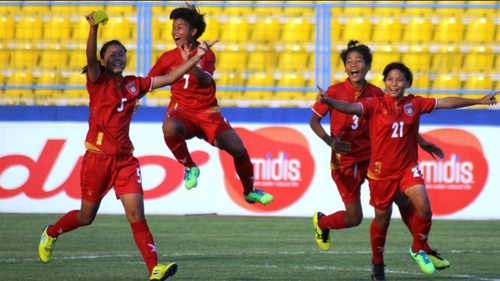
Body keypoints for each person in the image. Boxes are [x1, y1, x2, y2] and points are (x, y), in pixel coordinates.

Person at [38, 11, 217, 281]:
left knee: (136, 214)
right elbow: (89, 58)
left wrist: (196, 58)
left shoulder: (134, 84)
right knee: (86, 217)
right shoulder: (97, 82)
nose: (118, 58)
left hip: (125, 161)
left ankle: (154, 269)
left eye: (121, 54)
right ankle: (51, 232)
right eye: (112, 55)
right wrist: (94, 29)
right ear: (102, 61)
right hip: (97, 159)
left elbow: (169, 79)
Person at [316, 61, 498, 280]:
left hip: (407, 169)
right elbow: (350, 108)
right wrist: (330, 102)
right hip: (381, 174)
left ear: (407, 83)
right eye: (390, 79)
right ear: (384, 82)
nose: (394, 83)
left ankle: (419, 249)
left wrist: (478, 101)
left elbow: (446, 102)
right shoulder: (375, 104)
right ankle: (377, 264)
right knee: (382, 221)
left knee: (423, 205)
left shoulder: (415, 104)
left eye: (400, 79)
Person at [310, 41, 449, 281]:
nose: (354, 65)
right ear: (345, 67)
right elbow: (314, 121)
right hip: (345, 161)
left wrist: (421, 141)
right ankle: (323, 222)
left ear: (368, 66)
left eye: (358, 61)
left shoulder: (377, 93)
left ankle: (422, 249)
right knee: (354, 218)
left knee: (404, 200)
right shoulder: (333, 92)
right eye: (349, 62)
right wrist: (330, 141)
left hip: (374, 159)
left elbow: (398, 124)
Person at [147, 2, 273, 205]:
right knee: (169, 127)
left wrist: (192, 61)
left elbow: (205, 80)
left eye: (180, 27)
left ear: (193, 31)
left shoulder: (206, 53)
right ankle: (190, 167)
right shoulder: (167, 58)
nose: (174, 31)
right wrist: (133, 100)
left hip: (208, 114)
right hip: (183, 113)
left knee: (238, 149)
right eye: (173, 27)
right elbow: (149, 82)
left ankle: (249, 191)